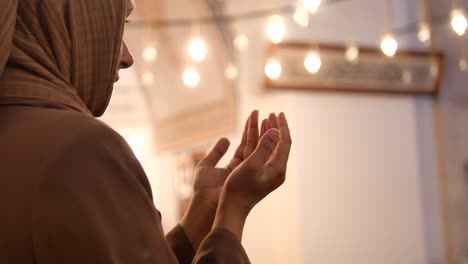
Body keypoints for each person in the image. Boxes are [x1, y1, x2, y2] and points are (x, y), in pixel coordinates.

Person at [0, 0, 292, 263]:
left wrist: (202, 211)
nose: (127, 57)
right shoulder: (79, 151)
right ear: (71, 23)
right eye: (119, 27)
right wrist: (234, 210)